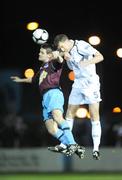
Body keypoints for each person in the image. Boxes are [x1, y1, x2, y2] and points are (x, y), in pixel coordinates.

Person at [10, 43, 85, 157]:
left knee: (57, 116)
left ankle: (72, 144)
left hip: (53, 93)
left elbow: (61, 60)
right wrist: (20, 80)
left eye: (42, 52)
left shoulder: (53, 63)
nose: (39, 53)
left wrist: (58, 55)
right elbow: (33, 80)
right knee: (51, 128)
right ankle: (75, 146)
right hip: (45, 98)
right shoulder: (42, 68)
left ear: (49, 55)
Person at [49, 34, 104, 160]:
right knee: (69, 113)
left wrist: (87, 62)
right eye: (60, 49)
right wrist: (67, 59)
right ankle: (64, 144)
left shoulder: (82, 45)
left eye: (62, 47)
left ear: (66, 42)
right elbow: (72, 67)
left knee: (94, 115)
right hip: (78, 83)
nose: (62, 50)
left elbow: (100, 56)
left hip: (91, 83)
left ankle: (96, 149)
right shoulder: (67, 52)